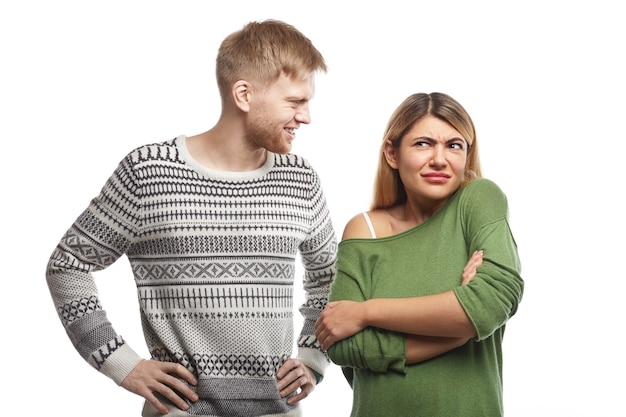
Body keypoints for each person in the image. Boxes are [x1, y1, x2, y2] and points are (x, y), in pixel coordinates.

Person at [46, 20, 337, 417]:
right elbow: (68, 264)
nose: (305, 117)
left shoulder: (300, 180)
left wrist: (312, 359)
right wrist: (122, 364)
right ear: (244, 94)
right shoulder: (148, 172)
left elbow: (329, 277)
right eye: (295, 101)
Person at [314, 92, 523, 416]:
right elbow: (343, 345)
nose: (440, 159)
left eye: (454, 145)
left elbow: (491, 302)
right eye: (423, 143)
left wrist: (367, 312)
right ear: (392, 154)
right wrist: (456, 334)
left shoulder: (479, 200)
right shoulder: (363, 229)